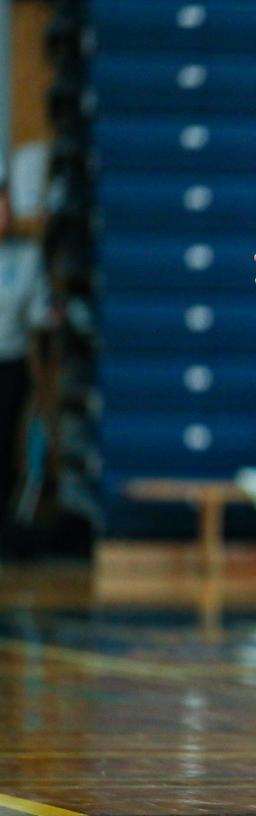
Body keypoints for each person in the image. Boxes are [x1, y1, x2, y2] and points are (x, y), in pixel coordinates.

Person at [0, 158, 51, 558]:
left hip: (9, 364)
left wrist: (41, 385)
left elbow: (38, 326)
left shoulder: (26, 258)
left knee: (6, 450)